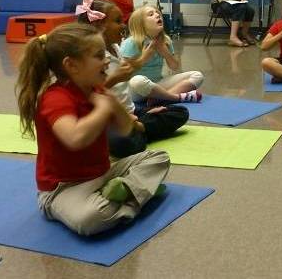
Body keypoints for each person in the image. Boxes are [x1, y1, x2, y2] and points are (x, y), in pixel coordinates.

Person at [15, 23, 170, 236]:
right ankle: (135, 198)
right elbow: (75, 138)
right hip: (64, 189)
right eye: (99, 56)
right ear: (72, 65)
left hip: (103, 173)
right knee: (91, 219)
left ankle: (125, 193)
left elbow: (126, 129)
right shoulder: (55, 98)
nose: (107, 60)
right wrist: (102, 109)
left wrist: (111, 101)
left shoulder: (95, 89)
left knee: (159, 157)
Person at [77, 0, 190, 158]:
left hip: (131, 110)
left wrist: (141, 115)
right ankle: (140, 128)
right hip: (110, 117)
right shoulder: (94, 56)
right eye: (117, 21)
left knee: (180, 112)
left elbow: (174, 66)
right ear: (99, 25)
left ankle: (139, 126)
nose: (123, 25)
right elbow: (89, 96)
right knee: (124, 144)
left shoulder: (116, 47)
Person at [122, 5, 204, 103]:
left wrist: (164, 51)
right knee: (137, 80)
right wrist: (144, 57)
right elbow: (124, 73)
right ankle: (170, 98)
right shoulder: (131, 43)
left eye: (157, 13)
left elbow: (174, 67)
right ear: (141, 24)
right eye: (151, 14)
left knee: (197, 75)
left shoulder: (165, 40)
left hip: (157, 85)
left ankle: (158, 99)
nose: (157, 15)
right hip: (136, 89)